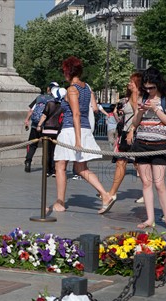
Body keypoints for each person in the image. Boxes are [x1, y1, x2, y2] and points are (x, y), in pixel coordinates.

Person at [51, 56, 115, 213]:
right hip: (84, 129)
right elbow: (94, 108)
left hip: (71, 130)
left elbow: (76, 114)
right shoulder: (87, 87)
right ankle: (105, 195)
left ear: (68, 71)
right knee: (81, 168)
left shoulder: (72, 90)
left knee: (60, 165)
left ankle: (60, 202)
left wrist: (77, 141)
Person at [129, 67, 166, 232]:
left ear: (158, 84)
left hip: (159, 144)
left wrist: (156, 109)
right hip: (142, 142)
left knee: (159, 183)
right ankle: (150, 218)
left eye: (152, 88)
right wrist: (141, 112)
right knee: (146, 182)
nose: (148, 91)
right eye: (146, 88)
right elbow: (135, 123)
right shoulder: (142, 97)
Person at [105, 72, 142, 200]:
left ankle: (112, 192)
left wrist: (132, 130)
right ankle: (113, 192)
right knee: (135, 164)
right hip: (128, 133)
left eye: (131, 82)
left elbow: (138, 115)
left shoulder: (135, 96)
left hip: (130, 134)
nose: (129, 83)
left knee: (123, 162)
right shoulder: (133, 95)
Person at [23, 82, 58, 172]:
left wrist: (27, 120)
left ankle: (28, 161)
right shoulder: (54, 100)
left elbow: (31, 110)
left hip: (35, 125)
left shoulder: (39, 97)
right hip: (47, 127)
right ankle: (47, 167)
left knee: (32, 145)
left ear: (48, 89)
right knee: (47, 147)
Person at [36, 87, 66, 176]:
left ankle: (46, 170)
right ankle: (53, 170)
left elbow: (44, 116)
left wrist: (39, 125)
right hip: (57, 131)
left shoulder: (49, 103)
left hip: (47, 130)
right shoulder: (63, 105)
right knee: (55, 152)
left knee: (46, 152)